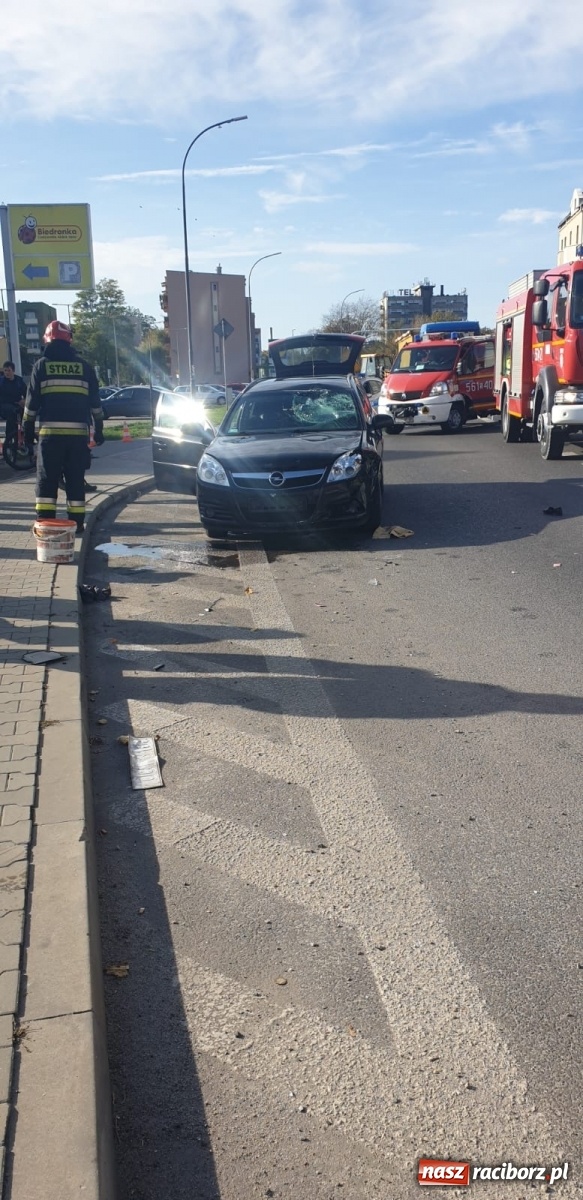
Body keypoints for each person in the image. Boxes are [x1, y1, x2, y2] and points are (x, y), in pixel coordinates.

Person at [23, 321, 104, 533]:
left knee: (47, 482)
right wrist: (100, 429)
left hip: (50, 438)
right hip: (78, 438)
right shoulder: (84, 367)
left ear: (47, 340)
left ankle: (46, 524)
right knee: (76, 481)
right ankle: (76, 526)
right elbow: (96, 404)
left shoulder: (41, 366)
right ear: (69, 341)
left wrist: (28, 434)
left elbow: (31, 407)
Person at [0, 360, 27, 450]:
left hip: (17, 405)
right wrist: (16, 401)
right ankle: (9, 440)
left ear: (13, 371)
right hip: (4, 405)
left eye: (9, 370)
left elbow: (26, 392)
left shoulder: (19, 381)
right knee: (13, 413)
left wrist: (24, 400)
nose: (7, 373)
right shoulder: (1, 382)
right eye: (5, 371)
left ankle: (22, 438)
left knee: (25, 412)